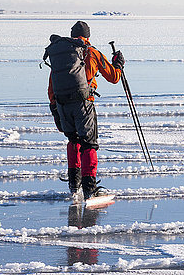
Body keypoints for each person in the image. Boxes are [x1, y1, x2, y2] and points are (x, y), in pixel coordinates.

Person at [46, 21, 125, 199]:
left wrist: (55, 109)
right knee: (89, 144)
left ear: (72, 35)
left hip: (62, 105)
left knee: (73, 140)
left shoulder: (62, 55)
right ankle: (90, 189)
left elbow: (51, 87)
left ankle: (74, 185)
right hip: (83, 105)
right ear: (87, 36)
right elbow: (113, 77)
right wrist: (119, 64)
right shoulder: (91, 52)